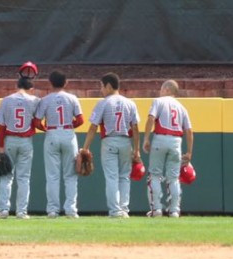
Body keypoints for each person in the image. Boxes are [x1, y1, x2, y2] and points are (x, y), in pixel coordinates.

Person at [80, 73, 140, 218]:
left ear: (108, 86)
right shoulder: (130, 103)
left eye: (102, 86)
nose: (101, 89)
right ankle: (124, 209)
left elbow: (93, 127)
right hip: (126, 141)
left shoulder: (103, 103)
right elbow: (135, 128)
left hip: (110, 140)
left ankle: (115, 210)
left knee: (112, 177)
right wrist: (136, 149)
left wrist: (85, 147)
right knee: (124, 176)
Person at [34, 70, 83, 219]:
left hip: (52, 133)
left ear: (50, 83)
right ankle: (71, 210)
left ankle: (52, 210)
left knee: (52, 176)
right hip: (68, 133)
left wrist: (45, 129)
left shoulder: (45, 100)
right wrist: (70, 126)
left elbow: (37, 122)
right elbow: (80, 120)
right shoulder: (72, 98)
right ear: (65, 82)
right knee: (71, 175)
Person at [143, 79, 193, 218]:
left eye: (161, 89)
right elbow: (189, 131)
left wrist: (146, 138)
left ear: (167, 89)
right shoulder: (182, 107)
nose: (160, 92)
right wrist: (189, 152)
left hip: (160, 138)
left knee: (155, 175)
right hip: (176, 141)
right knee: (173, 178)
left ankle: (156, 209)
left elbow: (151, 118)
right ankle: (174, 210)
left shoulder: (159, 101)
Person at [0, 74, 39, 219]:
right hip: (26, 140)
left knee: (6, 176)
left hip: (10, 139)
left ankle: (3, 210)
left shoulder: (7, 100)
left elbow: (1, 126)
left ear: (16, 86)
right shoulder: (35, 100)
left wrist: (0, 147)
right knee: (24, 178)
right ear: (31, 88)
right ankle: (21, 211)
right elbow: (37, 122)